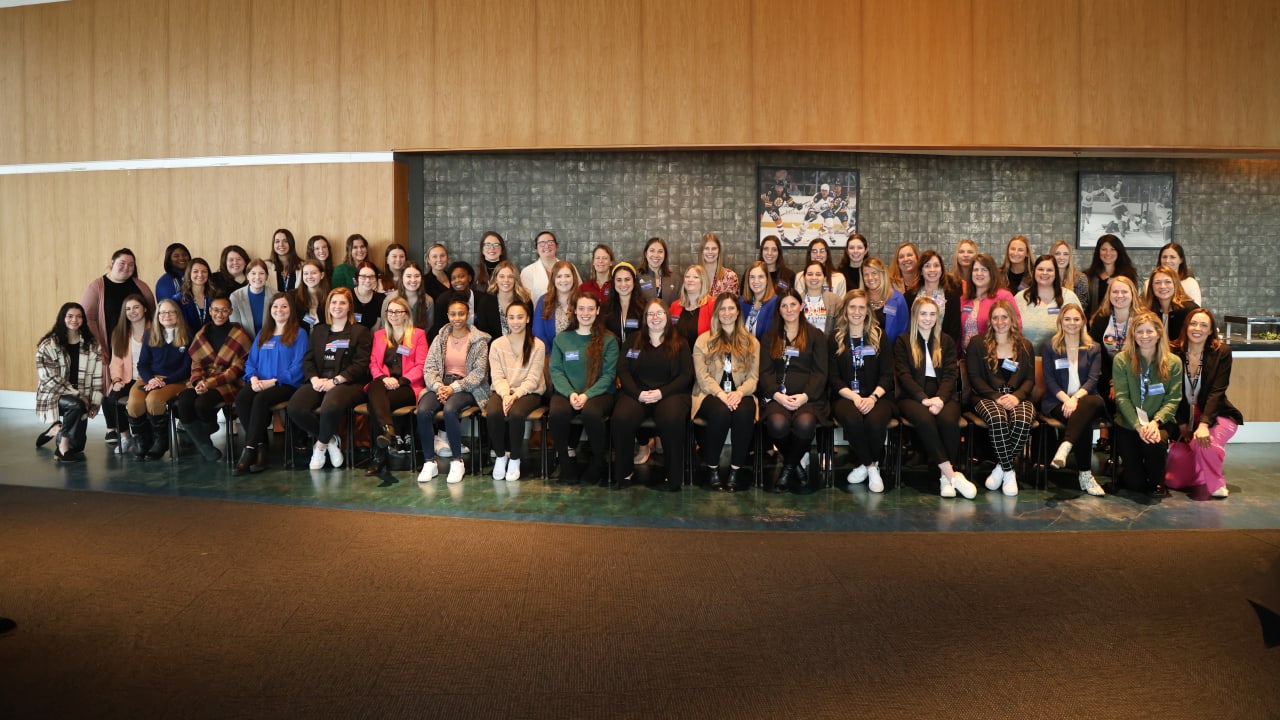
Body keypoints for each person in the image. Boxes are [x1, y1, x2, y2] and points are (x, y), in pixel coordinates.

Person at [895, 296, 975, 499]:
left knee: (949, 421)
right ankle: (952, 475)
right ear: (915, 316)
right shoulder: (904, 341)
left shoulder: (946, 340)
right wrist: (923, 398)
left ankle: (944, 478)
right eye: (923, 313)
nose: (928, 318)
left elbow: (950, 375)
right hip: (912, 396)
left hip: (943, 394)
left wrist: (939, 398)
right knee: (925, 419)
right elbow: (903, 375)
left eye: (932, 314)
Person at [611, 298, 693, 488]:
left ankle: (673, 477)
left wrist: (661, 392)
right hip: (637, 393)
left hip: (670, 393)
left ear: (667, 316)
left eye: (660, 313)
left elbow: (686, 375)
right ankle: (624, 473)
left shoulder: (680, 342)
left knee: (672, 419)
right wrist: (637, 393)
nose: (655, 318)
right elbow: (623, 370)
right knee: (621, 418)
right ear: (645, 318)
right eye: (651, 314)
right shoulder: (633, 340)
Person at [287, 288, 372, 470]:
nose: (337, 306)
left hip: (347, 383)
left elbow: (360, 364)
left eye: (342, 302)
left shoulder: (360, 331)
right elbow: (308, 359)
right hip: (319, 380)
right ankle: (330, 439)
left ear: (349, 306)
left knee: (330, 405)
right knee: (295, 408)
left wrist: (335, 381)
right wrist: (314, 379)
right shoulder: (318, 331)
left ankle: (319, 446)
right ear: (328, 306)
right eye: (334, 302)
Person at [758, 289, 830, 493]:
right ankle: (795, 465)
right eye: (784, 306)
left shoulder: (815, 336)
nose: (789, 309)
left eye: (793, 304)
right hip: (778, 397)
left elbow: (820, 372)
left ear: (801, 306)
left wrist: (805, 396)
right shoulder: (770, 336)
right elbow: (765, 372)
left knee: (805, 423)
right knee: (777, 423)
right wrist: (778, 396)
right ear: (778, 311)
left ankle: (788, 468)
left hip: (809, 398)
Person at [1167, 309, 1241, 498]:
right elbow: (1170, 392)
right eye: (1193, 323)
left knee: (1203, 443)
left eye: (1204, 325)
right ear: (1186, 326)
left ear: (1210, 331)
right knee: (1173, 480)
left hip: (1216, 414)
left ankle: (1216, 483)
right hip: (1184, 416)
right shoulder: (1172, 351)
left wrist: (1204, 424)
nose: (1197, 328)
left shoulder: (1221, 352)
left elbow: (1217, 391)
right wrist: (1182, 424)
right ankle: (1203, 469)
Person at [417, 298, 492, 484]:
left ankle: (457, 461)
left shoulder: (480, 340)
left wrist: (453, 388)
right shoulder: (440, 337)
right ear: (448, 315)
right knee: (423, 410)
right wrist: (438, 387)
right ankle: (429, 462)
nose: (457, 318)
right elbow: (429, 367)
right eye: (453, 314)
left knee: (450, 410)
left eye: (461, 313)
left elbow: (479, 374)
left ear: (468, 315)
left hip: (468, 387)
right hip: (441, 385)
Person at [966, 300, 1036, 496]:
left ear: (1011, 319)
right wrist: (997, 397)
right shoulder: (977, 344)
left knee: (1023, 419)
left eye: (1004, 317)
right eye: (995, 317)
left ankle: (1000, 468)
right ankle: (1010, 472)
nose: (1000, 321)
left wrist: (1016, 397)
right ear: (990, 321)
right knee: (998, 418)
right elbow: (975, 378)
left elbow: (1029, 380)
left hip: (1018, 397)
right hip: (986, 397)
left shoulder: (1025, 345)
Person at [547, 292, 618, 486]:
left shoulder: (609, 340)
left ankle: (597, 462)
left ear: (597, 311)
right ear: (575, 311)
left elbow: (609, 376)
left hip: (599, 393)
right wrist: (571, 394)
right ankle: (565, 461)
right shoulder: (562, 339)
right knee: (557, 414)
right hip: (567, 392)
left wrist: (587, 395)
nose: (585, 313)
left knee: (591, 414)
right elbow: (556, 370)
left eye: (590, 308)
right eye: (581, 308)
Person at [233, 293, 308, 475]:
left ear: (291, 310)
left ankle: (249, 449)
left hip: (286, 385)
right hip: (260, 382)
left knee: (261, 399)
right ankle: (261, 447)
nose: (279, 310)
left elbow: (299, 366)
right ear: (270, 310)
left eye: (284, 306)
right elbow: (251, 362)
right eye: (275, 306)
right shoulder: (263, 333)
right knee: (242, 398)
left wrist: (273, 381)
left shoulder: (300, 333)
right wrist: (253, 378)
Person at [693, 292, 760, 492]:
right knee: (720, 412)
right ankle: (712, 468)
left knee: (745, 412)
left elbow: (754, 378)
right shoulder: (703, 340)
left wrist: (739, 393)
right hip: (710, 395)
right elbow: (702, 377)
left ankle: (735, 470)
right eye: (722, 308)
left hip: (741, 393)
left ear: (738, 311)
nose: (727, 312)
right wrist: (722, 395)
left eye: (731, 308)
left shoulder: (751, 342)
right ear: (716, 313)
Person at [1112, 310, 1183, 495]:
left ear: (1159, 333)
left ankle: (1157, 478)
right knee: (1135, 484)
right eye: (1139, 331)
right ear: (1133, 335)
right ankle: (1132, 472)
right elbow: (1122, 398)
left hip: (1158, 423)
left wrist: (1155, 422)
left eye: (1149, 331)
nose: (1144, 336)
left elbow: (1173, 399)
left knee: (1155, 443)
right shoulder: (1122, 360)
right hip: (1129, 424)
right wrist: (1138, 425)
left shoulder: (1173, 362)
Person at [829, 291, 894, 492]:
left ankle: (866, 465)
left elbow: (887, 375)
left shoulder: (879, 336)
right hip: (846, 396)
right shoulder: (835, 338)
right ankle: (872, 468)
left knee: (875, 422)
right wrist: (855, 397)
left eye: (861, 307)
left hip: (877, 395)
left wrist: (873, 397)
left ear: (867, 311)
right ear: (845, 311)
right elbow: (833, 378)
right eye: (852, 307)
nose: (857, 312)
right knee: (853, 419)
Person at [1041, 303, 1107, 496]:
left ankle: (1066, 444)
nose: (1072, 323)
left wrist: (1075, 399)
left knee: (1087, 406)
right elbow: (1050, 380)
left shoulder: (1093, 347)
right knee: (1082, 422)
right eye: (1067, 319)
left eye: (1076, 319)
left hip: (1087, 398)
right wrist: (1066, 400)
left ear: (1083, 322)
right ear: (1060, 321)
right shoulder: (1050, 347)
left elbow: (1093, 379)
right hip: (1057, 402)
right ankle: (1085, 474)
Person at [176, 297, 251, 462]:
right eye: (216, 310)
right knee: (184, 401)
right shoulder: (202, 333)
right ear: (210, 311)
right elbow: (196, 363)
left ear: (230, 311)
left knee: (202, 403)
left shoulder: (240, 335)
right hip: (201, 380)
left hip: (227, 383)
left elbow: (237, 369)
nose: (220, 314)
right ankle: (204, 444)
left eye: (224, 310)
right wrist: (197, 381)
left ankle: (205, 430)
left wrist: (209, 383)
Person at [363, 297, 429, 477]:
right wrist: (384, 378)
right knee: (376, 390)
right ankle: (388, 430)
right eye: (390, 311)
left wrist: (400, 381)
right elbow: (373, 363)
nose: (393, 315)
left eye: (398, 311)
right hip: (383, 383)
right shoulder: (379, 335)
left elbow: (422, 365)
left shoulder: (417, 335)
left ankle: (379, 456)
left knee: (376, 403)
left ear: (406, 314)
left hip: (407, 386)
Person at [80, 249, 156, 392]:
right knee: (111, 386)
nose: (126, 267)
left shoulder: (140, 286)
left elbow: (152, 312)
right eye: (122, 263)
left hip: (137, 341)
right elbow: (87, 318)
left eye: (131, 265)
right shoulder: (96, 287)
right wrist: (99, 345)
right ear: (112, 263)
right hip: (107, 344)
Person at [486, 301, 546, 482]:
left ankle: (515, 458)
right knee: (493, 412)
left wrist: (515, 396)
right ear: (507, 320)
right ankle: (500, 456)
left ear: (527, 319)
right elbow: (496, 376)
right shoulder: (497, 344)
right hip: (503, 390)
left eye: (520, 317)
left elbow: (533, 379)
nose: (516, 321)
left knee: (517, 414)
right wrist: (505, 395)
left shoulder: (538, 345)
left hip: (529, 392)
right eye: (511, 317)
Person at [35, 302, 103, 462]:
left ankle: (56, 430)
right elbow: (48, 379)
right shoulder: (48, 345)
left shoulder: (92, 345)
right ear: (62, 318)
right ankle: (62, 448)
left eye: (79, 316)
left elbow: (97, 377)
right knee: (76, 405)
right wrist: (77, 394)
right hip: (53, 396)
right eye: (70, 316)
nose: (75, 320)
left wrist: (95, 403)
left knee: (78, 447)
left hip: (82, 398)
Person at [126, 299, 191, 460]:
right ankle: (143, 441)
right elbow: (142, 364)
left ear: (177, 314)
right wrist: (151, 380)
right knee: (134, 404)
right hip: (148, 378)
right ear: (157, 315)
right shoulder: (150, 334)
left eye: (170, 312)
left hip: (175, 380)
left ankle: (161, 442)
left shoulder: (188, 335)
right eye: (162, 312)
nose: (166, 315)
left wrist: (164, 382)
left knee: (154, 401)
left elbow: (186, 368)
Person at [103, 295, 152, 454]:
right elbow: (116, 362)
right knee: (111, 399)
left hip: (150, 378)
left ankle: (145, 437)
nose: (132, 312)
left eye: (136, 307)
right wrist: (116, 380)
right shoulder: (120, 332)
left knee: (139, 402)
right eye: (128, 309)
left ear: (144, 308)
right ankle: (126, 437)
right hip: (128, 378)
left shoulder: (156, 329)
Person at [1088, 275, 1143, 414]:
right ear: (1109, 294)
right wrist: (1112, 382)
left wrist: (1123, 383)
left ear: (1133, 294)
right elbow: (1097, 355)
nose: (1119, 295)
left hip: (1136, 376)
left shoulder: (1142, 319)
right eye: (1115, 292)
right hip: (1107, 377)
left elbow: (1145, 354)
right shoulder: (1100, 319)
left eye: (1124, 292)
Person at [958, 253, 1020, 357]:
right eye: (975, 270)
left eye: (984, 270)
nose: (979, 273)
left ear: (991, 273)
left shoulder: (1004, 296)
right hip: (967, 358)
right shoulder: (964, 299)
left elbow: (1017, 325)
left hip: (995, 356)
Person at [1016, 254, 1082, 349]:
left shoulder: (1069, 297)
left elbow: (1081, 330)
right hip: (1026, 359)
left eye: (1049, 270)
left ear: (1056, 273)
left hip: (1059, 359)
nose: (1044, 273)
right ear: (1034, 271)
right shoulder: (1020, 298)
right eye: (1041, 269)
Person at [904, 250, 963, 347]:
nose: (932, 270)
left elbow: (954, 330)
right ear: (921, 271)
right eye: (927, 266)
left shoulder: (952, 297)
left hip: (942, 350)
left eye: (936, 265)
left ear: (941, 270)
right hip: (914, 349)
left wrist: (943, 350)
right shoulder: (909, 297)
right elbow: (906, 326)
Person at [430, 261, 501, 339]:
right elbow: (440, 330)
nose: (457, 281)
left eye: (461, 276)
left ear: (469, 278)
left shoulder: (483, 299)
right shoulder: (443, 301)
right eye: (453, 278)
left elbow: (489, 329)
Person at [532, 260, 581, 351]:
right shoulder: (543, 301)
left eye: (567, 276)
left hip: (580, 357)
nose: (563, 280)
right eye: (559, 276)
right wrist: (554, 357)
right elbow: (539, 334)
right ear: (553, 279)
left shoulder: (582, 300)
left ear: (574, 278)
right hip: (551, 357)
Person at [1084, 233, 1138, 314]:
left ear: (1119, 251)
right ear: (1098, 252)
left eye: (1113, 249)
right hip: (1091, 323)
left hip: (1119, 322)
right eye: (1104, 249)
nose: (1108, 253)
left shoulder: (1128, 275)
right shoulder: (1087, 276)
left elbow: (1134, 302)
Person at [1143, 265, 1198, 342]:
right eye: (1157, 282)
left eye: (1167, 282)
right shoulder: (1148, 312)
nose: (1162, 286)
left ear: (1175, 284)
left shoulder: (1190, 310)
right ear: (1151, 287)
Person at [861, 257, 908, 343]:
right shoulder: (860, 299)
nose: (870, 278)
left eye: (874, 273)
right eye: (866, 274)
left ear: (882, 274)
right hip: (864, 352)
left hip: (891, 352)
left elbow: (904, 331)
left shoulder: (897, 299)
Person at [669, 264, 713, 347]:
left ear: (703, 281)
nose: (690, 280)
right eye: (687, 276)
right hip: (678, 356)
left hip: (703, 356)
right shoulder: (675, 306)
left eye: (695, 277)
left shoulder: (712, 305)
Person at [384, 261, 433, 334]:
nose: (413, 280)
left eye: (417, 276)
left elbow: (429, 326)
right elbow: (385, 325)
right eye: (408, 276)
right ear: (402, 278)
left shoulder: (428, 301)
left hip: (419, 341)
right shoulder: (390, 299)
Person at [229, 259, 274, 337]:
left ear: (266, 276)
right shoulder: (235, 297)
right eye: (253, 273)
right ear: (247, 276)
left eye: (261, 273)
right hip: (244, 344)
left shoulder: (275, 295)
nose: (257, 277)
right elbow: (235, 329)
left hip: (270, 343)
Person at [603, 262, 645, 343]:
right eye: (619, 280)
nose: (623, 284)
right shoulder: (605, 308)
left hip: (637, 353)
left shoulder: (644, 307)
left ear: (634, 281)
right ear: (613, 282)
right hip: (613, 354)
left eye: (627, 279)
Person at [488, 260, 532, 336]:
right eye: (502, 276)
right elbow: (485, 334)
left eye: (510, 277)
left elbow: (529, 329)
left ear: (515, 279)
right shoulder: (486, 303)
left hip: (522, 345)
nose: (506, 280)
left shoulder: (525, 301)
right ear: (496, 279)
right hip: (494, 346)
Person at [739, 260, 778, 341]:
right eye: (752, 277)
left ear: (767, 279)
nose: (756, 281)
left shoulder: (775, 303)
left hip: (764, 351)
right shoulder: (742, 301)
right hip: (743, 350)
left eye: (760, 277)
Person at [1050, 240, 1090, 316]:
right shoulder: (1046, 277)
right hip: (1048, 321)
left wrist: (1052, 311)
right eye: (1057, 254)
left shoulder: (1080, 278)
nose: (1061, 257)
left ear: (1070, 257)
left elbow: (1081, 307)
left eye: (1065, 254)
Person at [799, 261, 840, 335]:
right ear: (804, 278)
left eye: (818, 274)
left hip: (827, 344)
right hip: (803, 344)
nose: (814, 278)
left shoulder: (835, 300)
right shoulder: (797, 300)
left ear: (824, 278)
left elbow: (839, 327)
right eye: (810, 274)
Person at [637, 236, 679, 306]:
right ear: (645, 254)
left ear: (665, 255)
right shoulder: (636, 277)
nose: (656, 255)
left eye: (660, 251)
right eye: (652, 251)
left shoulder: (675, 279)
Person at [291, 259, 330, 332]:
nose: (309, 277)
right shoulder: (293, 296)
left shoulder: (330, 297)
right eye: (305, 273)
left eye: (313, 273)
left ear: (322, 275)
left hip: (324, 339)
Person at [521, 230, 560, 301]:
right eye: (542, 243)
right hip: (538, 311)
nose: (546, 246)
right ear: (536, 248)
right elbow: (525, 301)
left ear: (556, 246)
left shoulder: (569, 267)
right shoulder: (527, 272)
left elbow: (577, 292)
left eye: (550, 242)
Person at [177, 257, 214, 331]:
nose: (200, 275)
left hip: (211, 340)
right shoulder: (179, 299)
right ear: (189, 274)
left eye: (204, 271)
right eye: (195, 271)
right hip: (188, 340)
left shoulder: (214, 296)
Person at [351, 260, 386, 329]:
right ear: (357, 278)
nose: (367, 280)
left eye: (372, 277)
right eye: (363, 277)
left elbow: (377, 327)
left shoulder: (380, 299)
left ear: (376, 278)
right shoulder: (347, 296)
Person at [268, 228, 303, 292]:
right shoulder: (266, 266)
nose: (281, 244)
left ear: (291, 243)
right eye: (277, 241)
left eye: (285, 241)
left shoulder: (303, 266)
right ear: (273, 245)